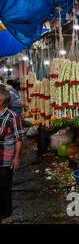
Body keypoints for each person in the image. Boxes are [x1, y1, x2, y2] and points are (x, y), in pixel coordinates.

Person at [0, 89, 23, 224]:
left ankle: (5, 215)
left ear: (1, 101)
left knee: (4, 187)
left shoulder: (12, 116)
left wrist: (16, 158)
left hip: (6, 158)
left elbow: (18, 138)